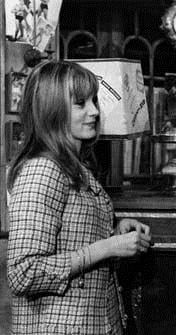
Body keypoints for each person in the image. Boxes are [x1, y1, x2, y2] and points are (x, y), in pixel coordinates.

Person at [7, 60, 152, 335]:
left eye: (94, 100)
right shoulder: (42, 169)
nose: (95, 111)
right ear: (52, 110)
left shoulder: (73, 166)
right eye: (81, 103)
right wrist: (108, 247)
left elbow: (71, 238)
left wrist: (114, 232)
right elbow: (22, 273)